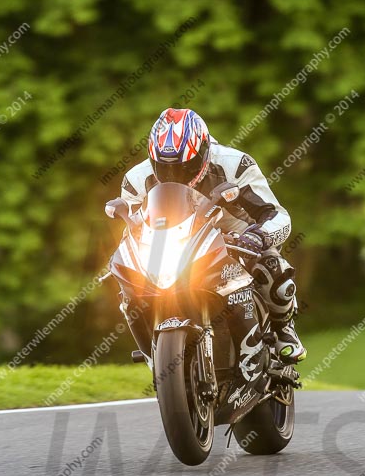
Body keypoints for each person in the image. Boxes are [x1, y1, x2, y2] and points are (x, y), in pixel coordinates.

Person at [120, 108, 306, 364]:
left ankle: (283, 328)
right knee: (127, 285)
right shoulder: (136, 179)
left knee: (271, 266)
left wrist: (260, 236)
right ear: (153, 157)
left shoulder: (236, 164)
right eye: (165, 167)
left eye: (187, 166)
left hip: (235, 233)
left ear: (205, 150)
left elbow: (276, 214)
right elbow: (132, 228)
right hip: (172, 240)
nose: (176, 175)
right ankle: (152, 351)